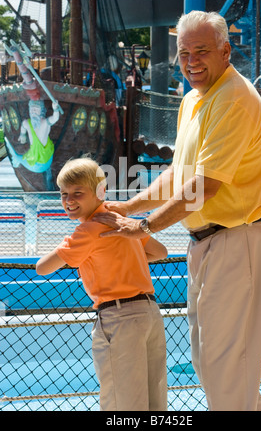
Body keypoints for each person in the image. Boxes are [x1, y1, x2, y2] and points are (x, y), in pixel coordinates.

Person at [93, 11, 261, 411]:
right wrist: (128, 206)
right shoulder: (195, 99)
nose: (191, 61)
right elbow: (180, 174)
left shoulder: (233, 98)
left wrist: (143, 226)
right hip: (210, 245)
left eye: (201, 50)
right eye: (183, 53)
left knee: (226, 369)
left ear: (226, 52)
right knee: (213, 365)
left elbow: (205, 186)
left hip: (237, 241)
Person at [36, 157, 168, 411]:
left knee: (122, 403)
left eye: (77, 193)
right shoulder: (122, 222)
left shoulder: (87, 231)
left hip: (118, 317)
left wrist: (74, 243)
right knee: (154, 401)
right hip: (149, 313)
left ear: (99, 193)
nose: (69, 200)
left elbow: (42, 268)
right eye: (64, 194)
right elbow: (160, 251)